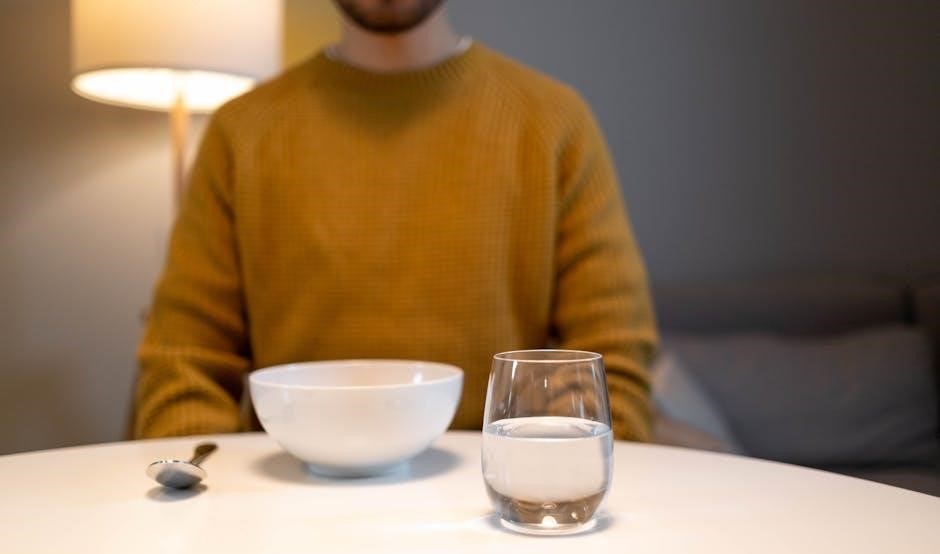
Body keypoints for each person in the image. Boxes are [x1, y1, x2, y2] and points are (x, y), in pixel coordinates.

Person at [133, 0, 658, 441]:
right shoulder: (241, 134)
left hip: (499, 502)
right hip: (284, 504)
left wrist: (548, 483)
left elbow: (609, 364)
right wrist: (209, 496)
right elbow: (185, 365)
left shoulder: (553, 124)